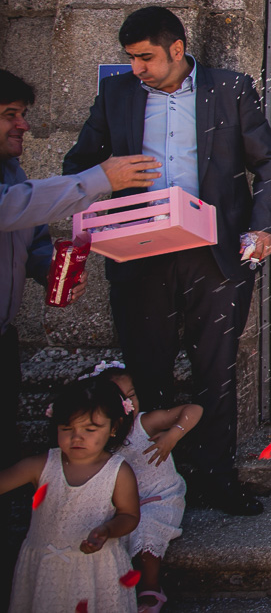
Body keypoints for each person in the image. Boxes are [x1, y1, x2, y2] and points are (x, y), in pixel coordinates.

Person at [63, 7, 271, 516]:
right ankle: (154, 486)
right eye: (131, 59)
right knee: (147, 373)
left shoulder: (230, 88)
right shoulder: (116, 94)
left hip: (214, 256)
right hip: (138, 256)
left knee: (217, 371)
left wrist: (263, 227)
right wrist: (108, 177)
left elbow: (269, 164)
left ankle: (216, 482)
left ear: (177, 49)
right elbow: (76, 166)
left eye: (146, 58)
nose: (136, 69)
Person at [0, 69, 159, 611]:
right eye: (10, 115)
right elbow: (8, 209)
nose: (23, 124)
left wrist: (50, 266)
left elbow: (28, 231)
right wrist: (100, 178)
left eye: (22, 113)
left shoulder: (14, 167)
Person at [0, 376, 140, 613]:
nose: (77, 437)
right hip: (44, 568)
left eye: (90, 429)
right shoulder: (42, 465)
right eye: (67, 429)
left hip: (95, 570)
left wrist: (107, 530)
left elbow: (129, 515)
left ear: (113, 427)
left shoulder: (117, 472)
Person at [97, 362, 200, 613]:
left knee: (146, 531)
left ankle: (150, 586)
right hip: (122, 504)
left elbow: (193, 409)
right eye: (120, 399)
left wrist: (173, 434)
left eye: (132, 395)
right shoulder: (100, 435)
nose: (129, 404)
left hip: (159, 497)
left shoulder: (145, 424)